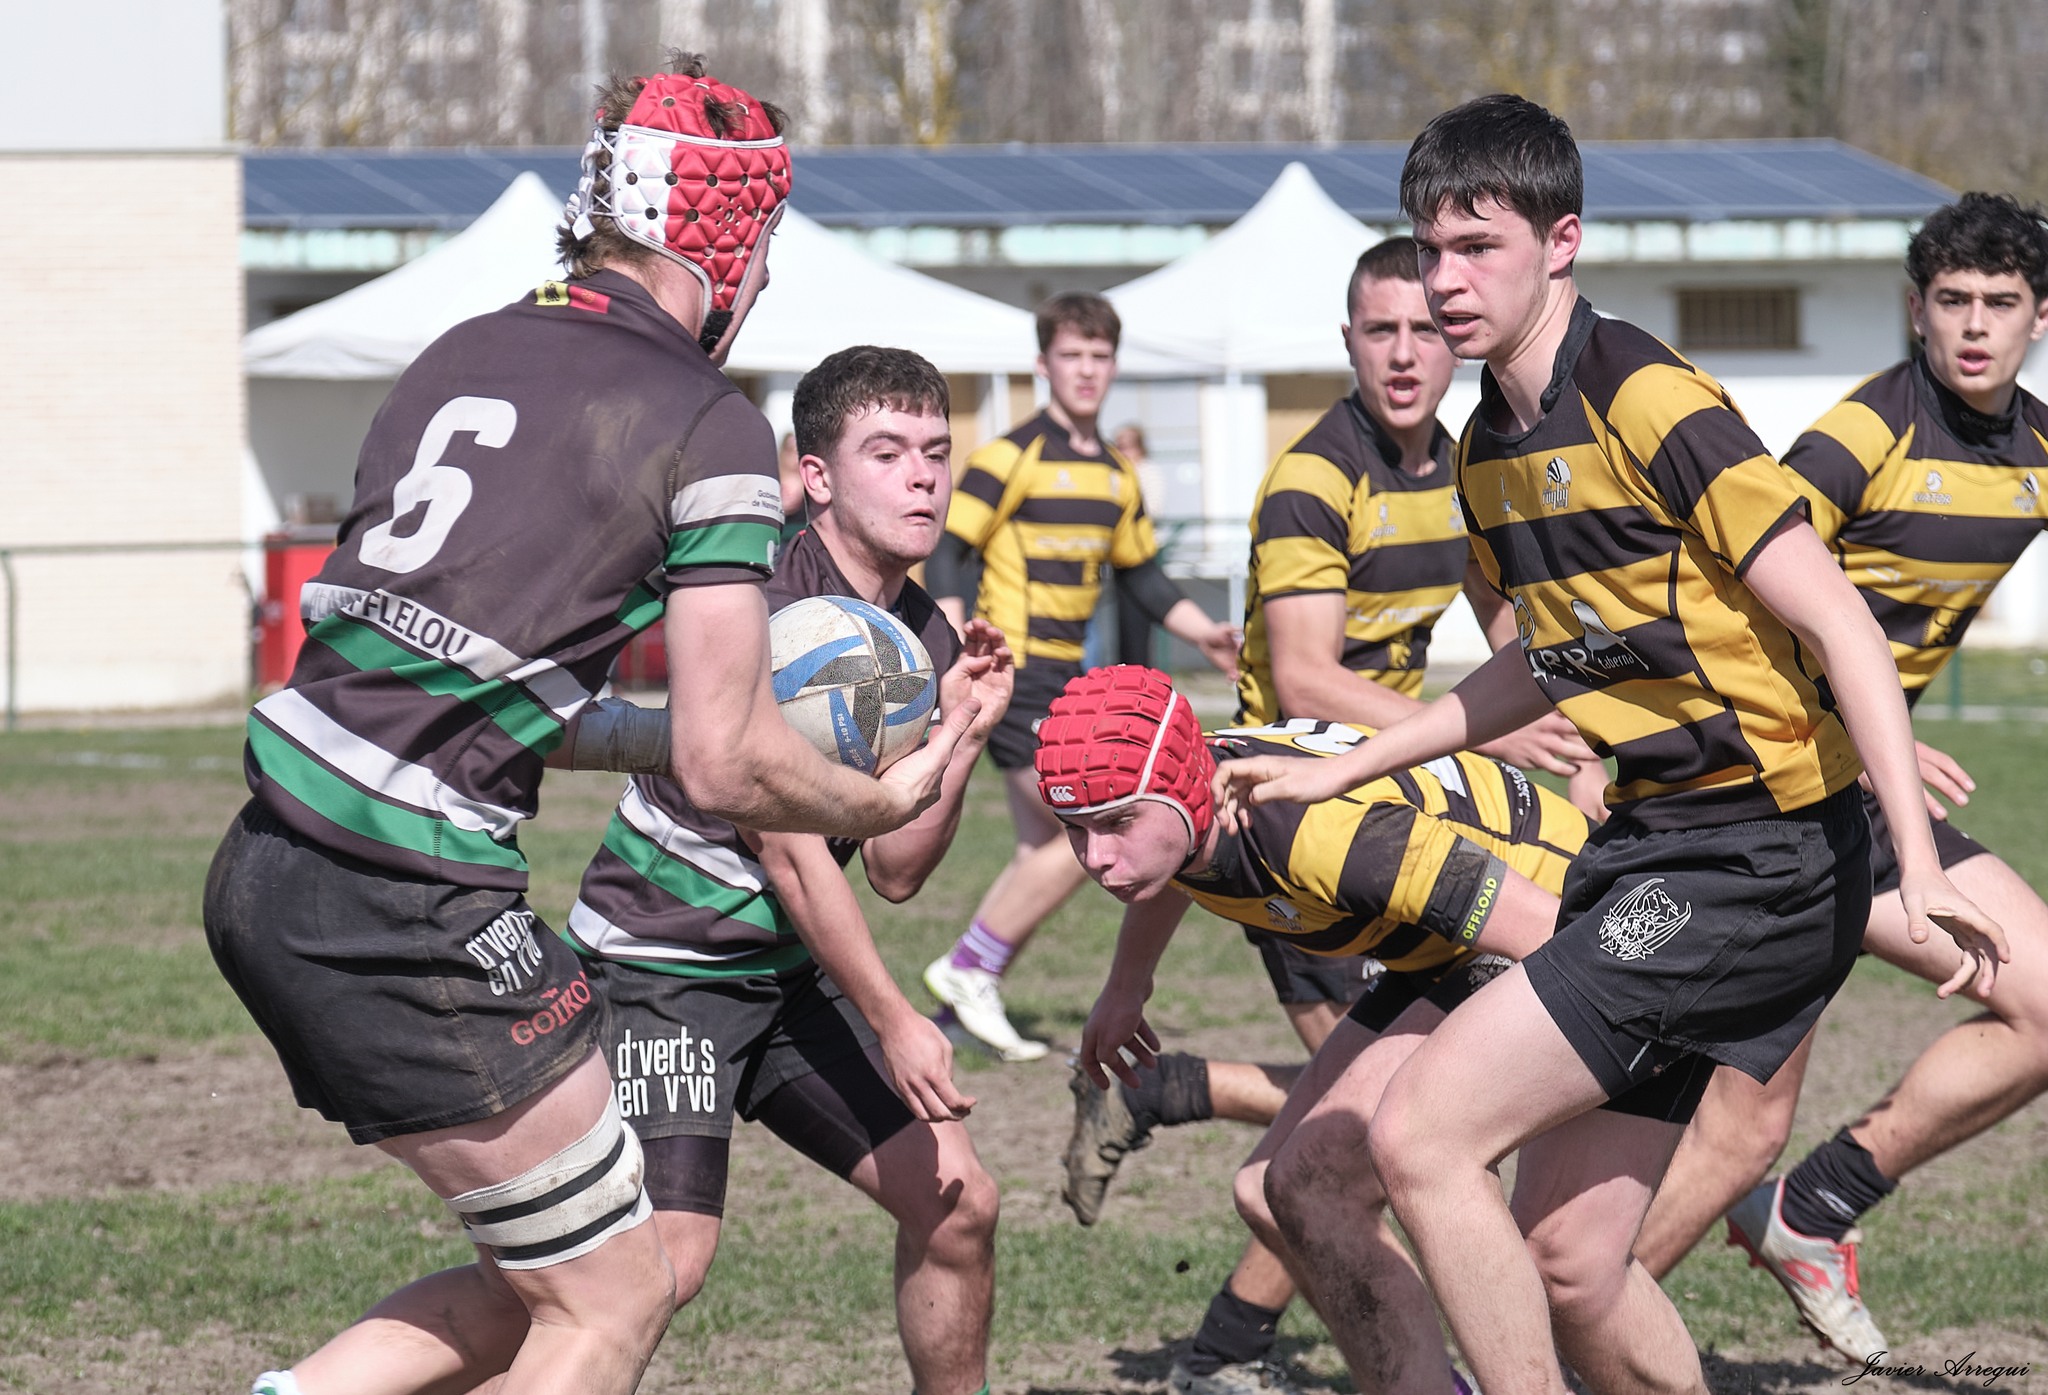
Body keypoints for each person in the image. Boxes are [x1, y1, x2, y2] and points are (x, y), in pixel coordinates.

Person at [202, 57, 978, 1395]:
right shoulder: (701, 420)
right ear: (725, 238)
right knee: (616, 1292)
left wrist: (668, 723)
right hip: (408, 897)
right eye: (768, 246)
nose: (766, 281)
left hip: (267, 859)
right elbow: (724, 762)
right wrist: (886, 794)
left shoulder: (464, 350)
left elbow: (482, 686)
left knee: (570, 1269)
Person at [1216, 94, 2006, 1395]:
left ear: (1561, 241)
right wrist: (1344, 762)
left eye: (1477, 245)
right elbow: (1557, 655)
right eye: (1426, 246)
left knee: (1421, 1135)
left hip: (1754, 857)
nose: (1445, 277)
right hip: (1657, 847)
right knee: (1573, 1255)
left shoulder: (1641, 389)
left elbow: (1842, 619)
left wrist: (1914, 860)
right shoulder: (1490, 448)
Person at [1062, 235, 1599, 1394]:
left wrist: (1551, 732)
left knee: (1351, 1157)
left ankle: (1234, 1317)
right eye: (1377, 331)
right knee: (1346, 1155)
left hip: (1384, 819)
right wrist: (1481, 730)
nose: (1403, 353)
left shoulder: (1462, 466)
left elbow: (1507, 628)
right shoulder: (1315, 476)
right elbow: (1302, 683)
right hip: (1295, 826)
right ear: (1344, 341)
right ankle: (1247, 1330)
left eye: (1421, 328)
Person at [1629, 191, 2048, 1363]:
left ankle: (1814, 1211)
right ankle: (1570, 1332)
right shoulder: (1863, 436)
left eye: (1998, 305)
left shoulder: (2035, 452)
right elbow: (1732, 584)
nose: (1972, 327)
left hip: (1872, 806)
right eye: (1950, 302)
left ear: (2038, 319)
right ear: (1913, 310)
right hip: (1774, 790)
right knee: (1733, 1132)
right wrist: (1868, 725)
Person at [566, 346, 1010, 1395]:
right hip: (660, 968)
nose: (922, 477)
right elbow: (790, 848)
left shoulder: (921, 634)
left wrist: (959, 729)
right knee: (655, 1270)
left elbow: (896, 865)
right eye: (887, 452)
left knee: (957, 1206)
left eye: (936, 453)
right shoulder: (758, 596)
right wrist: (899, 1017)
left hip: (779, 974)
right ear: (813, 476)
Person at [1048, 667, 1588, 1395]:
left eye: (1115, 823)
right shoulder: (1195, 799)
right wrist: (1126, 985)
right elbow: (1168, 868)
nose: (1097, 860)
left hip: (1552, 912)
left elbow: (1551, 937)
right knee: (1267, 1186)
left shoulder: (1319, 833)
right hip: (1440, 949)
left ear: (1186, 786)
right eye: (1075, 831)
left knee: (1323, 1184)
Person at [923, 292, 1240, 1061]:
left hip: (1066, 679)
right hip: (1014, 671)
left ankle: (968, 987)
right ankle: (969, 967)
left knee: (1046, 845)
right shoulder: (1008, 456)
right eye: (1072, 356)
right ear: (1044, 366)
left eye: (1100, 357)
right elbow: (948, 549)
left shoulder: (1116, 476)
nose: (1087, 371)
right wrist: (956, 636)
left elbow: (1144, 578)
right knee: (1085, 835)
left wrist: (1210, 633)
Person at [1110, 422, 1163, 668]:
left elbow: (1149, 511)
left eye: (1127, 446)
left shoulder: (1146, 474)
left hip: (1142, 557)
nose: (1122, 451)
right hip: (1119, 558)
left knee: (1138, 626)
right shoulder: (1118, 474)